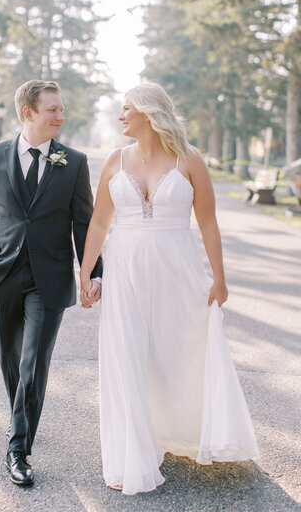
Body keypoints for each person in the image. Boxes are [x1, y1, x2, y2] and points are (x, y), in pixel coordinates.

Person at [79, 82, 259, 496]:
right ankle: (132, 453)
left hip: (177, 270)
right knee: (126, 355)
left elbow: (208, 221)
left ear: (148, 112)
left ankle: (180, 428)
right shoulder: (113, 159)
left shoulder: (189, 159)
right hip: (124, 270)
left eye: (127, 109)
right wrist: (85, 272)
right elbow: (100, 223)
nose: (121, 115)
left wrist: (220, 276)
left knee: (178, 351)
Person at [0, 79, 102, 486]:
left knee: (34, 361)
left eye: (61, 109)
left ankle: (18, 450)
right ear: (29, 113)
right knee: (10, 357)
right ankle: (20, 418)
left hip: (50, 277)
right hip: (2, 273)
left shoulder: (73, 162)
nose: (61, 116)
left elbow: (84, 222)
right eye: (52, 110)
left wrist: (92, 273)